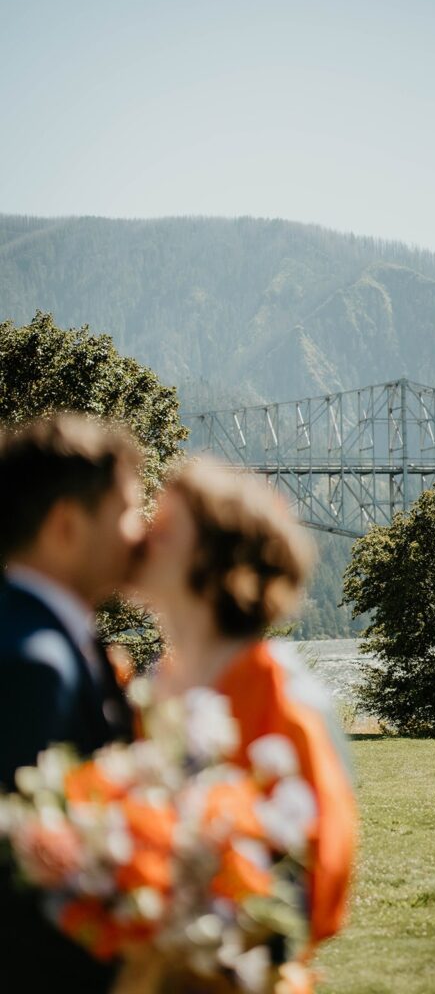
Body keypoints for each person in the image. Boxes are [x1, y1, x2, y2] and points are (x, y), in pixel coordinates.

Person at [132, 459, 357, 963]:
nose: (144, 535)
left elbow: (319, 885)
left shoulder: (283, 695)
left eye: (166, 527)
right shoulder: (149, 683)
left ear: (217, 561)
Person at [0, 414, 145, 993]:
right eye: (127, 512)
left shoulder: (44, 638)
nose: (142, 531)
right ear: (66, 526)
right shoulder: (33, 665)